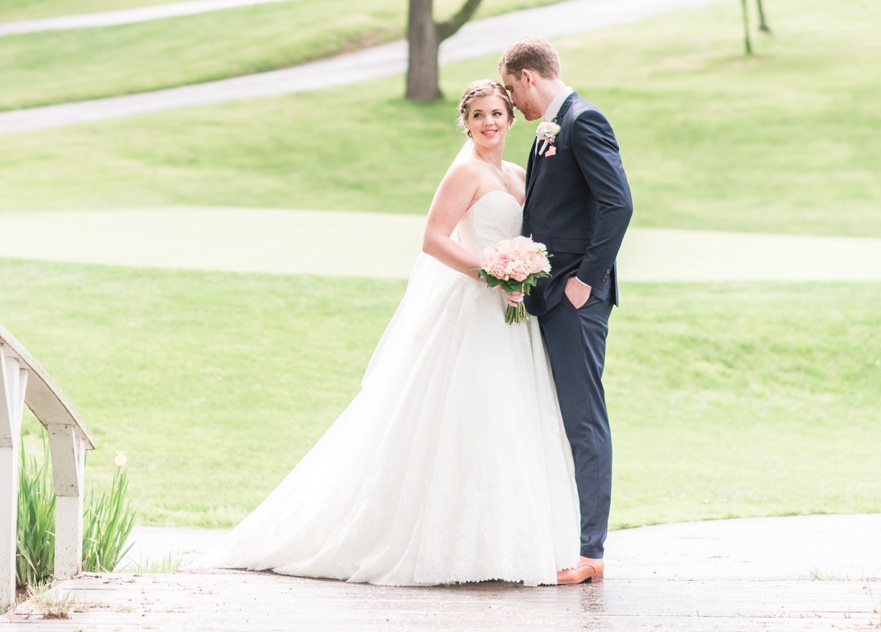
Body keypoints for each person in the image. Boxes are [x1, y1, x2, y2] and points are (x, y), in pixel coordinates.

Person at [195, 79, 580, 586]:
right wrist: (492, 271)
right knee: (469, 415)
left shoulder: (515, 172)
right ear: (465, 123)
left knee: (508, 418)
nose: (489, 123)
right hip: (473, 308)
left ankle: (502, 544)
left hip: (512, 315)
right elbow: (433, 240)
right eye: (479, 115)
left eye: (497, 113)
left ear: (511, 118)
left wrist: (522, 272)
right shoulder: (464, 172)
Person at [499, 36, 634, 585]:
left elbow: (618, 203)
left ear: (529, 77)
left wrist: (585, 281)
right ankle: (568, 537)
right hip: (548, 295)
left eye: (511, 89)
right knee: (563, 417)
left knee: (583, 419)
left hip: (576, 299)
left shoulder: (583, 120)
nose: (513, 104)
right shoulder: (551, 130)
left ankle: (591, 551)